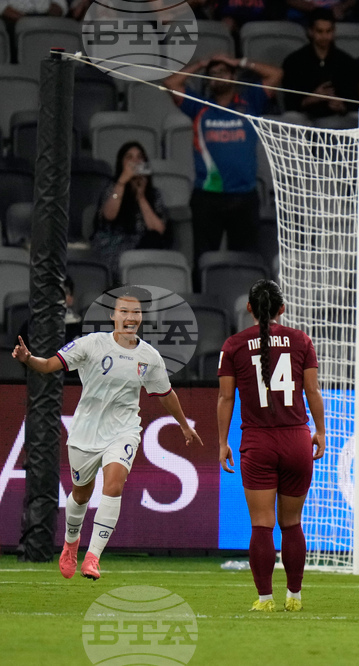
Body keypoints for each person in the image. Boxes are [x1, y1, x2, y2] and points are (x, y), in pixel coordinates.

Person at [10, 286, 204, 581]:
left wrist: (184, 424)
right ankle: (71, 544)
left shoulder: (149, 357)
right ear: (113, 316)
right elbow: (50, 365)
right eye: (124, 311)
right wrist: (28, 359)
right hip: (86, 432)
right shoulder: (92, 344)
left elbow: (166, 393)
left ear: (141, 318)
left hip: (124, 430)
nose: (130, 317)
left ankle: (93, 557)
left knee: (114, 485)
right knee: (80, 494)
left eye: (136, 312)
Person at [217, 279, 326, 612]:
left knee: (261, 523)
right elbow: (312, 392)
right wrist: (320, 431)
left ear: (249, 308)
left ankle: (265, 599)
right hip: (295, 439)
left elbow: (225, 397)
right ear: (282, 308)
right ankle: (294, 597)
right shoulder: (301, 340)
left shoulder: (233, 345)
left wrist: (222, 442)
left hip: (258, 442)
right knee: (291, 523)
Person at [163, 54, 283, 271]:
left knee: (245, 262)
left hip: (244, 197)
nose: (218, 77)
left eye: (223, 72)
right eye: (213, 74)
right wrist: (201, 64)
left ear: (233, 76)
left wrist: (241, 62)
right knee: (204, 260)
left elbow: (276, 74)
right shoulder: (198, 106)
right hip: (207, 197)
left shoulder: (251, 101)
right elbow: (171, 83)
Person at [92, 142, 171, 281]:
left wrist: (141, 197)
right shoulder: (112, 188)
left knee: (154, 239)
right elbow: (109, 215)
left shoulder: (154, 194)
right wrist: (122, 181)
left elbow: (158, 229)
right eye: (129, 157)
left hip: (143, 251)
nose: (135, 161)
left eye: (140, 157)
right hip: (115, 248)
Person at [282, 8, 359, 127]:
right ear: (310, 31)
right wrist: (312, 98)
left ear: (334, 31)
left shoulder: (346, 62)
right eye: (320, 31)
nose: (324, 36)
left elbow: (354, 100)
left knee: (356, 119)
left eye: (328, 31)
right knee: (291, 118)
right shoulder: (294, 61)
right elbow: (289, 103)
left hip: (337, 118)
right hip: (305, 117)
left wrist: (341, 105)